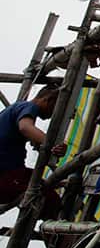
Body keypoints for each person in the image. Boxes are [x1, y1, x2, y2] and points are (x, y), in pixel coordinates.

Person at [0, 84, 67, 217]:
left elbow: (31, 137)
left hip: (11, 173)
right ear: (48, 99)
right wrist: (52, 144)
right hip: (5, 175)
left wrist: (42, 143)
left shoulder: (14, 109)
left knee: (44, 187)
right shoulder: (28, 107)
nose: (52, 115)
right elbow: (25, 127)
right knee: (49, 198)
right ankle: (58, 236)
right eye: (55, 109)